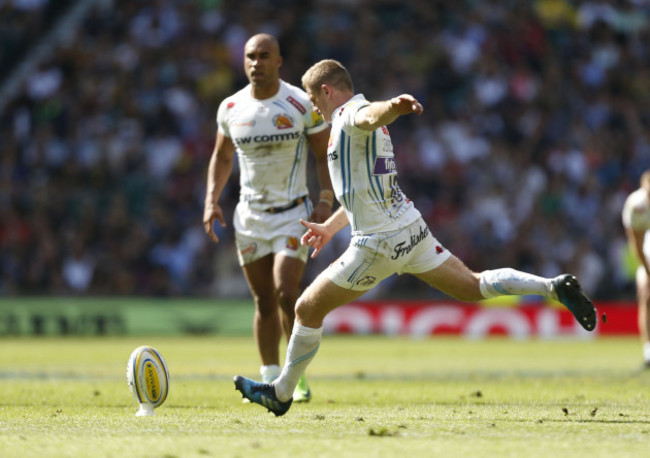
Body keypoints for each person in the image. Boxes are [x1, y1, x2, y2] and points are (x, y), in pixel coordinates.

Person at [233, 59, 597, 416]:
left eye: (314, 100)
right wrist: (330, 227)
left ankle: (281, 393)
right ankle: (553, 287)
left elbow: (371, 113)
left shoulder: (349, 116)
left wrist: (392, 106)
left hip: (377, 242)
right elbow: (364, 190)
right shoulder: (368, 133)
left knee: (306, 309)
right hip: (411, 228)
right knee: (472, 285)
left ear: (327, 92)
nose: (314, 108)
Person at [203, 35, 333, 402]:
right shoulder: (230, 107)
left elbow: (324, 155)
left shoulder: (299, 103)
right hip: (249, 217)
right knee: (263, 300)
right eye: (250, 56)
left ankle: (295, 377)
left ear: (279, 61)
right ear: (243, 62)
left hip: (293, 213)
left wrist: (325, 200)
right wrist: (211, 200)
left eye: (264, 56)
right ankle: (269, 376)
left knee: (285, 291)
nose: (256, 62)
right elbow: (222, 157)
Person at [622, 170, 650, 367]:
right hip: (648, 245)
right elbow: (638, 245)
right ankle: (649, 351)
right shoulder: (637, 205)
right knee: (646, 295)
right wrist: (648, 274)